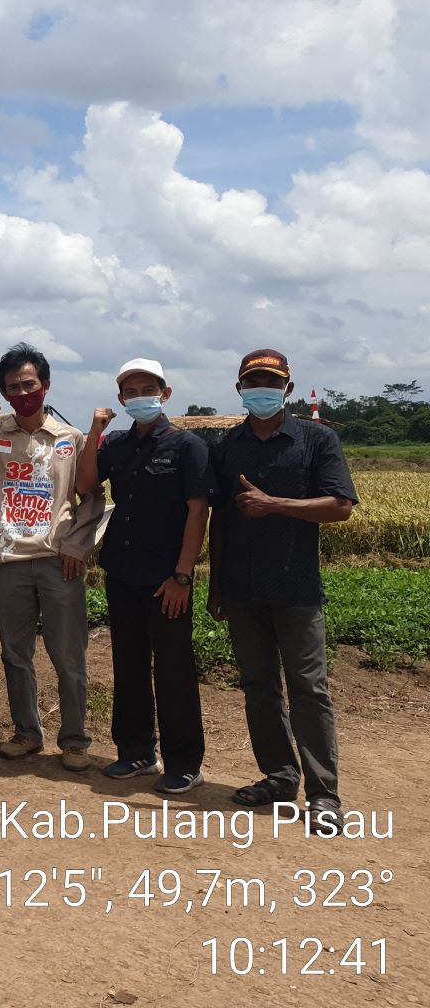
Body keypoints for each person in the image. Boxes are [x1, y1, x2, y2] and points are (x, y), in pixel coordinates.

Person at [208, 349, 357, 834]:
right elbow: (221, 519)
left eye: (271, 381)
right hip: (243, 589)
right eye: (253, 381)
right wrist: (217, 584)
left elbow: (340, 506)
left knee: (309, 689)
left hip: (296, 589)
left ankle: (324, 794)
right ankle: (279, 775)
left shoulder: (317, 439)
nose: (262, 389)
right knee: (258, 687)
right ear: (239, 389)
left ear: (288, 389)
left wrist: (274, 504)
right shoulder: (228, 445)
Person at [0, 343, 101, 769]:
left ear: (46, 385)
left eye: (29, 384)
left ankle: (74, 739)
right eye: (13, 387)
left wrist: (76, 545)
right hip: (9, 561)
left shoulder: (70, 439)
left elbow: (91, 497)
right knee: (16, 654)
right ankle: (27, 732)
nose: (22, 392)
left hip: (58, 559)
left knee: (67, 654)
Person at [78, 358, 210, 794]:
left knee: (174, 670)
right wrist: (94, 433)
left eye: (147, 389)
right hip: (123, 571)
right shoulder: (116, 443)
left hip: (166, 577)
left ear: (165, 393)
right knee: (128, 665)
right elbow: (87, 485)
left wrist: (182, 575)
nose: (139, 397)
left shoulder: (187, 445)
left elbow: (197, 511)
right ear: (120, 399)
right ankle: (135, 752)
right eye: (130, 392)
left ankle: (185, 762)